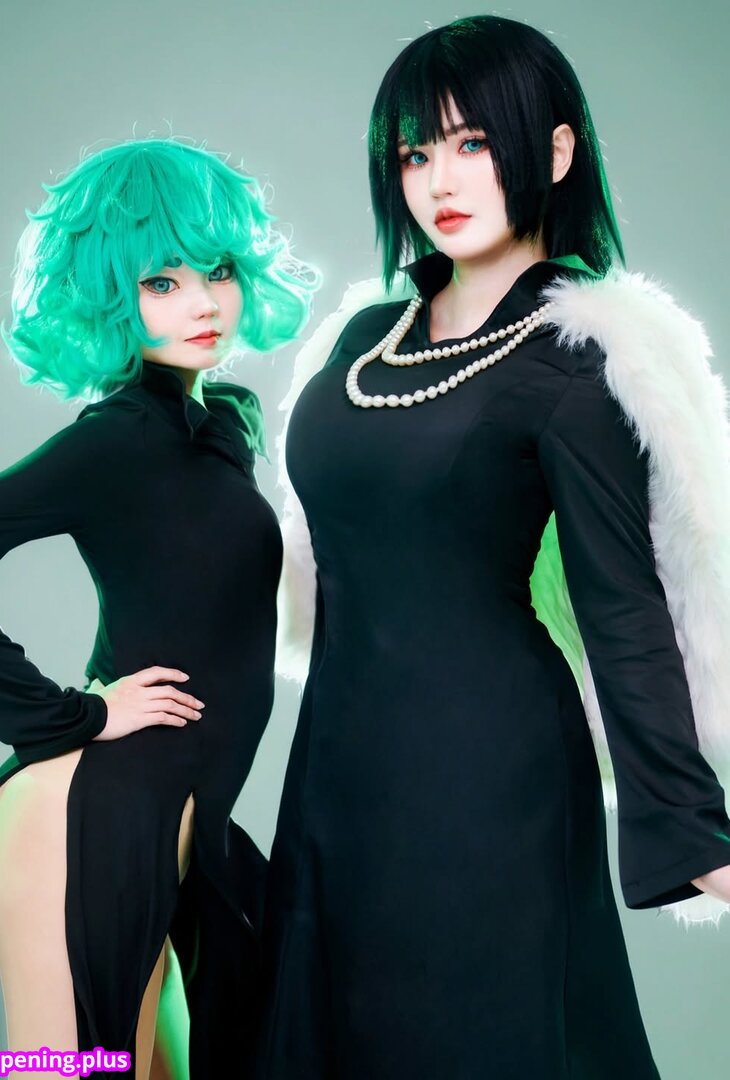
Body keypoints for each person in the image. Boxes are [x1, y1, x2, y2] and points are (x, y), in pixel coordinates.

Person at [259, 16, 730, 1079]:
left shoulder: (574, 358)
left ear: (554, 152)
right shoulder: (361, 340)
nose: (439, 180)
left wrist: (695, 832)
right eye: (415, 153)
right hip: (337, 766)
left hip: (490, 775)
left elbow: (624, 607)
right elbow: (299, 554)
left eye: (472, 143)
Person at [0, 137, 317, 1079]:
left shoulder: (218, 428)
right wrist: (73, 716)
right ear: (107, 296)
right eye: (162, 282)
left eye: (217, 272)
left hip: (169, 822)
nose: (203, 303)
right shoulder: (119, 439)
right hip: (79, 824)